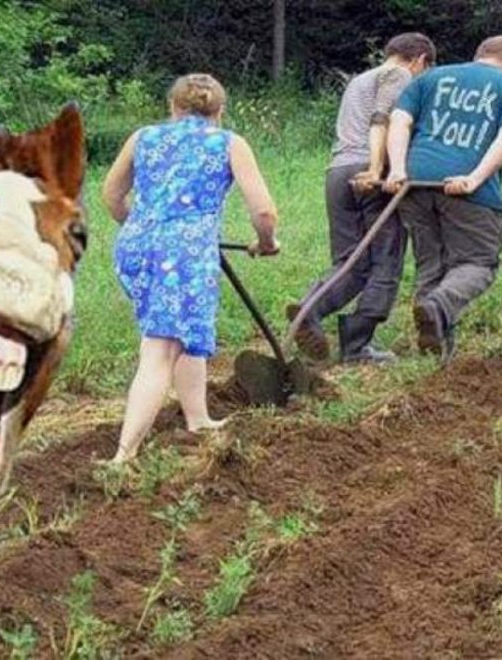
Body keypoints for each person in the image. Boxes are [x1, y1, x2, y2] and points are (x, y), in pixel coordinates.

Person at [101, 73, 280, 464]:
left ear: (172, 107)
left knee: (182, 330)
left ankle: (198, 419)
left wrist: (145, 230)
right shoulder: (228, 143)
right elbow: (264, 212)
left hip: (135, 247)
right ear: (220, 111)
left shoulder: (143, 137)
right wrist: (266, 244)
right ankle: (123, 456)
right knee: (161, 349)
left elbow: (111, 195)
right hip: (182, 256)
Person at [288, 33, 437, 363]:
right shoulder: (398, 75)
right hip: (369, 174)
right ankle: (356, 346)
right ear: (420, 60)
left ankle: (309, 310)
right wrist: (376, 169)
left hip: (337, 172)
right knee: (386, 261)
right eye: (426, 70)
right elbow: (381, 120)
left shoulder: (360, 80)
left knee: (350, 263)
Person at [384, 35, 502, 363]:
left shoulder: (432, 77)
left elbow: (400, 120)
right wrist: (474, 178)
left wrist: (398, 169)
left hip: (415, 182)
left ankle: (435, 350)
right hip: (465, 189)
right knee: (478, 263)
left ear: (477, 56)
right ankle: (436, 309)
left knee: (431, 262)